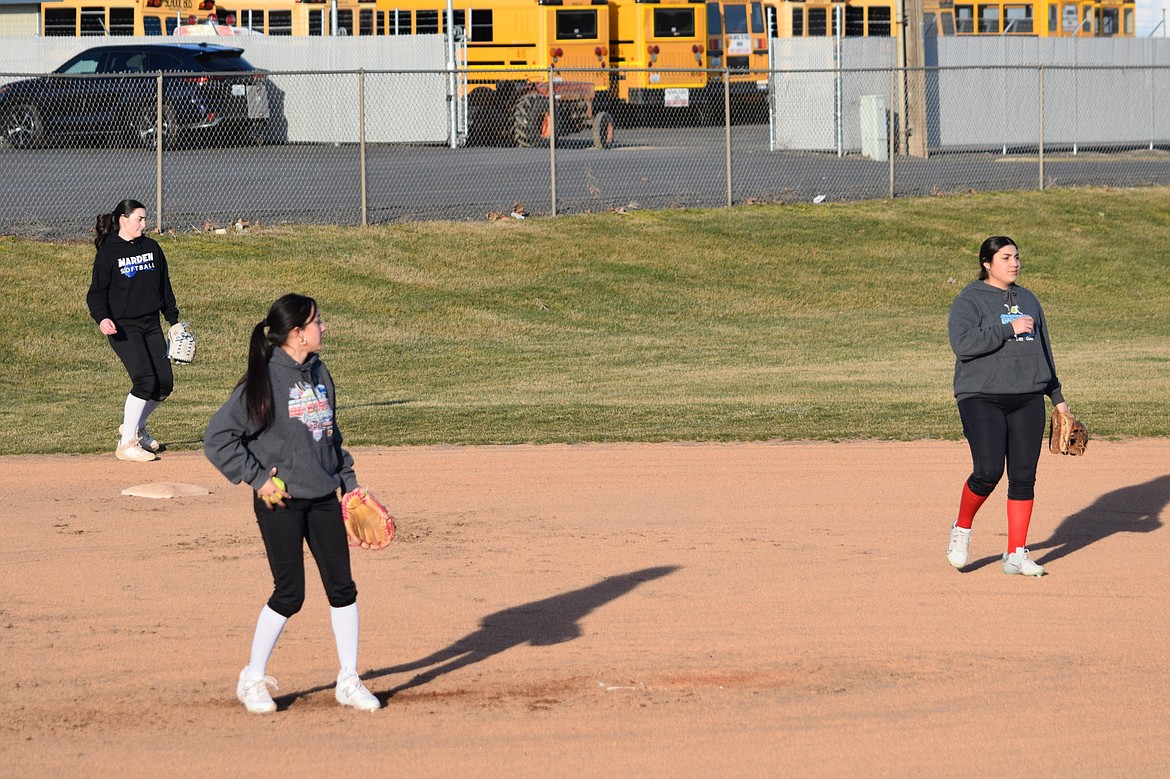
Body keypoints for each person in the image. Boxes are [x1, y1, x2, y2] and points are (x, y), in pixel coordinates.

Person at [204, 294, 381, 714]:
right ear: (297, 333)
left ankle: (349, 679)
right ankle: (252, 679)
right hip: (280, 501)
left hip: (322, 495)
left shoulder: (320, 372)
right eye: (318, 322)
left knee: (343, 587)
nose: (324, 328)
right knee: (290, 593)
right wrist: (258, 478)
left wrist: (350, 485)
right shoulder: (263, 380)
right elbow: (217, 438)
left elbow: (331, 437)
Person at [945, 236, 1072, 577]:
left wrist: (1058, 399)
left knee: (1023, 477)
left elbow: (1043, 351)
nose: (1014, 263)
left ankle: (1016, 554)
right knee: (988, 471)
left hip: (1027, 398)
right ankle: (961, 529)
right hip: (980, 396)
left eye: (1016, 256)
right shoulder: (970, 300)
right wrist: (1007, 328)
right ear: (987, 263)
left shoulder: (1028, 299)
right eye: (1005, 257)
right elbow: (963, 344)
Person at [86, 199, 182, 463]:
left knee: (164, 384)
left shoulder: (152, 248)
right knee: (144, 381)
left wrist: (173, 322)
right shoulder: (108, 253)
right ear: (123, 220)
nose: (144, 223)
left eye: (144, 218)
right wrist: (102, 319)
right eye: (139, 218)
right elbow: (96, 294)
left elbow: (165, 289)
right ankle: (127, 443)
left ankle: (136, 427)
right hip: (123, 327)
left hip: (151, 324)